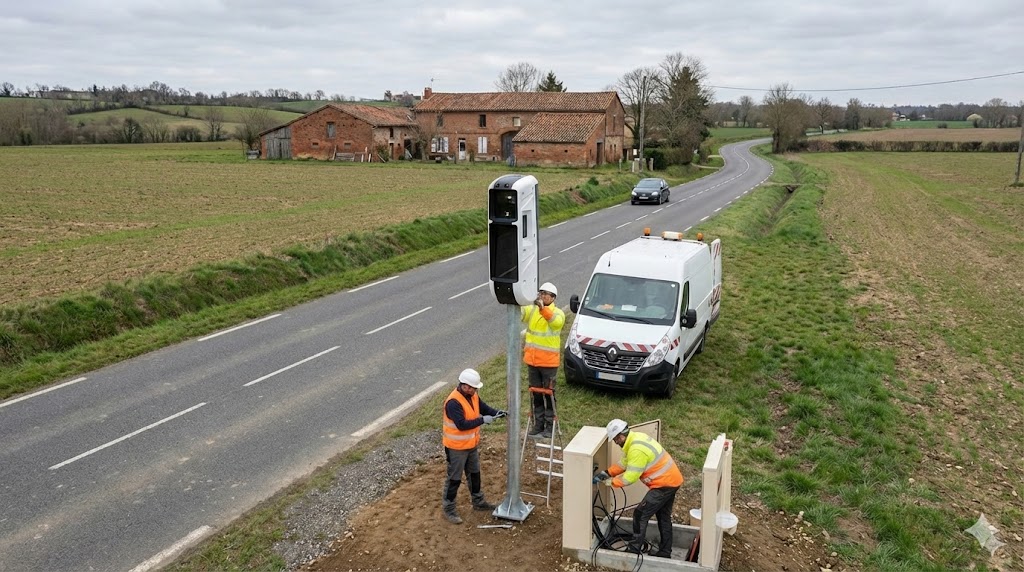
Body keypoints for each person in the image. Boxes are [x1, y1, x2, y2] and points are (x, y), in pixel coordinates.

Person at [594, 419, 684, 558]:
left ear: (620, 436)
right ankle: (665, 552)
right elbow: (625, 463)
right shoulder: (635, 439)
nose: (616, 443)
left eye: (616, 440)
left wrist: (610, 482)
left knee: (640, 514)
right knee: (663, 517)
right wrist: (606, 473)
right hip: (671, 480)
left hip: (663, 485)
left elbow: (629, 478)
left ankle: (634, 550)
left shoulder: (636, 449)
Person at [441, 368, 506, 524]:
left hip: (471, 445)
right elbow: (462, 425)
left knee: (475, 474)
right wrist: (483, 420)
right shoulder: (453, 402)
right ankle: (449, 508)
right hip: (456, 448)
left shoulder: (472, 395)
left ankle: (478, 501)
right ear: (465, 386)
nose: (475, 390)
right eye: (474, 388)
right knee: (454, 479)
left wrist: (497, 413)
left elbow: (483, 408)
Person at [521, 282, 565, 439]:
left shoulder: (558, 313)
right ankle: (537, 425)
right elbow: (520, 312)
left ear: (553, 298)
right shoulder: (532, 310)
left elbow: (555, 322)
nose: (543, 296)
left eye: (546, 294)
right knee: (536, 396)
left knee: (549, 395)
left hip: (548, 363)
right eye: (541, 293)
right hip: (532, 362)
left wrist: (542, 308)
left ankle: (549, 426)